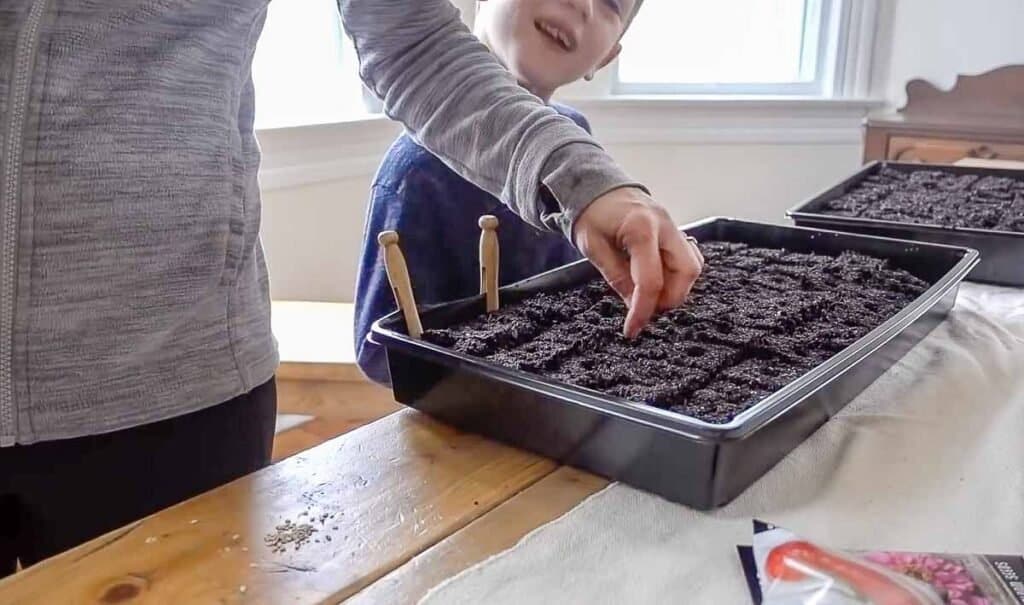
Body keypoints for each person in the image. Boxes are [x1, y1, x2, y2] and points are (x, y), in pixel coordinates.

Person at [0, 0, 702, 575]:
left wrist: (581, 183)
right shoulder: (412, 176)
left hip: (174, 390)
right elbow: (384, 341)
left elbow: (412, 42)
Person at [354, 0, 652, 386]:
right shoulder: (417, 173)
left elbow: (575, 293)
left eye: (611, 3)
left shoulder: (577, 134)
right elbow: (378, 350)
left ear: (607, 57)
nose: (580, 2)